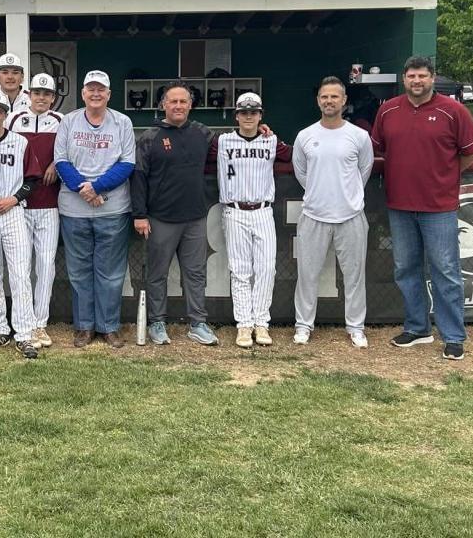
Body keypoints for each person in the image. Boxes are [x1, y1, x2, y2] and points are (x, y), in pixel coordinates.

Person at [371, 56, 473, 361]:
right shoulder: (389, 110)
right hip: (400, 204)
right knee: (406, 269)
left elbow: (470, 152)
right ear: (404, 79)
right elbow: (379, 147)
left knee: (445, 271)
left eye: (422, 76)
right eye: (411, 76)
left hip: (439, 206)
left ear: (432, 78)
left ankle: (453, 335)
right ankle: (418, 327)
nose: (416, 81)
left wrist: (446, 173)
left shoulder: (453, 110)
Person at [132, 83, 219, 346]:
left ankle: (197, 323)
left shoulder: (203, 133)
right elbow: (138, 177)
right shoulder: (150, 137)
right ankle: (157, 323)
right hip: (160, 218)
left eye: (183, 101)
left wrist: (262, 131)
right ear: (163, 105)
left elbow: (234, 145)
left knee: (195, 273)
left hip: (194, 217)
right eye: (173, 102)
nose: (178, 106)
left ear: (190, 105)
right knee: (157, 274)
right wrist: (140, 214)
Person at [54, 70, 135, 348]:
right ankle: (84, 327)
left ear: (109, 94)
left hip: (112, 209)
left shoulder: (122, 122)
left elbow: (127, 163)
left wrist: (97, 188)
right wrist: (84, 190)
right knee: (78, 271)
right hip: (74, 209)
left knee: (110, 273)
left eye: (101, 89)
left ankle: (109, 326)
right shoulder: (68, 120)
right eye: (91, 88)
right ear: (83, 93)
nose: (96, 93)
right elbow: (61, 161)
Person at [292, 78, 375, 348]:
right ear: (318, 100)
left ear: (344, 100)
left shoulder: (359, 136)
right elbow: (302, 173)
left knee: (354, 276)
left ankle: (356, 327)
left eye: (334, 97)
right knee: (307, 275)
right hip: (314, 215)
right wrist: (321, 194)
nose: (329, 101)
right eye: (324, 96)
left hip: (350, 216)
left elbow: (363, 171)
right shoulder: (305, 136)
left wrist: (346, 197)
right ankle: (303, 325)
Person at [215, 92, 290, 349]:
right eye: (244, 112)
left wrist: (269, 132)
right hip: (234, 210)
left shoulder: (271, 141)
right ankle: (244, 324)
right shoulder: (223, 141)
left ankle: (262, 322)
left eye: (254, 112)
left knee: (267, 269)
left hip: (262, 210)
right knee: (240, 271)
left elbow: (292, 157)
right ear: (236, 116)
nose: (249, 116)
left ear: (261, 116)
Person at [0, 90, 43, 358]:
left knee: (19, 274)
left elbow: (33, 179)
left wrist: (14, 198)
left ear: (6, 115)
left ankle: (24, 333)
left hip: (13, 211)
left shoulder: (20, 142)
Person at [6, 72, 64, 347]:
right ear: (29, 95)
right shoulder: (14, 119)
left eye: (47, 94)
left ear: (53, 98)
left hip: (49, 203)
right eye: (37, 93)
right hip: (21, 204)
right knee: (21, 267)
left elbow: (68, 154)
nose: (41, 98)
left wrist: (56, 164)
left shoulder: (61, 121)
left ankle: (40, 323)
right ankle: (25, 322)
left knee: (46, 266)